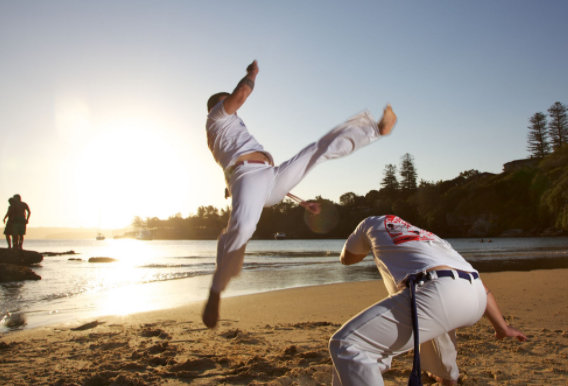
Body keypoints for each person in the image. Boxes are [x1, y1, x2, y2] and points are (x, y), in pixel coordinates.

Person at [202, 60, 397, 328]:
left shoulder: (229, 130)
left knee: (316, 150)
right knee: (242, 229)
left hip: (268, 177)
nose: (235, 110)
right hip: (246, 177)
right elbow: (240, 95)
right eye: (227, 104)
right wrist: (252, 74)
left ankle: (375, 128)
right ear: (215, 106)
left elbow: (257, 180)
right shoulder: (216, 117)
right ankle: (215, 292)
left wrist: (300, 201)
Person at [329, 215, 527, 385]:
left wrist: (364, 245)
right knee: (429, 313)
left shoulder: (369, 223)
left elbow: (347, 259)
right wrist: (502, 327)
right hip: (475, 295)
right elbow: (483, 289)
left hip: (436, 291)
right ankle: (447, 377)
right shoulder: (430, 238)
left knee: (347, 344)